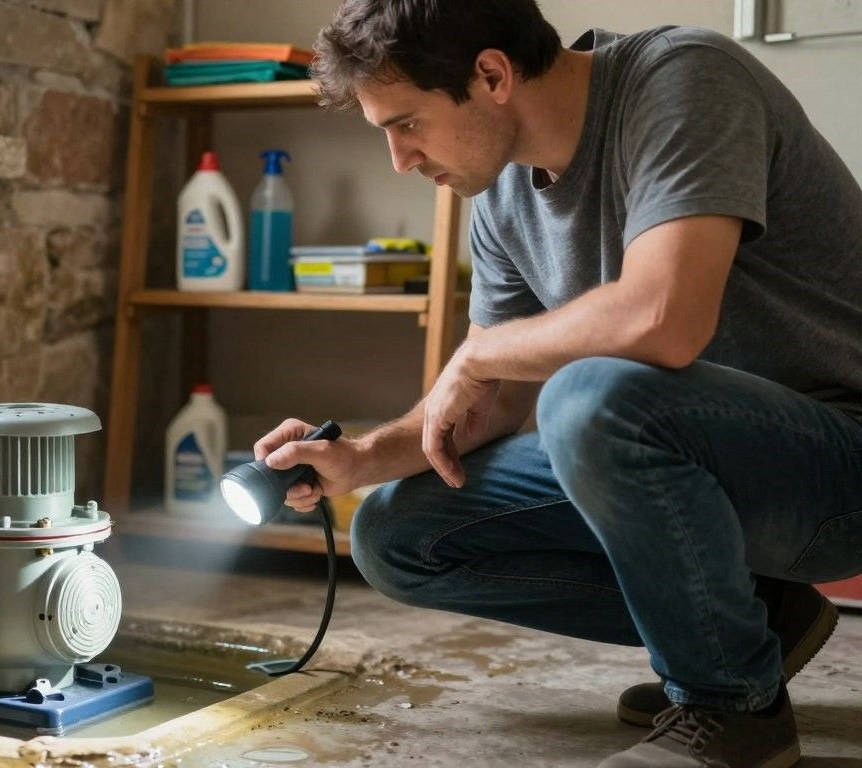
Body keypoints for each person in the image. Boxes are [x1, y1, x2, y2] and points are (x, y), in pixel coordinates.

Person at [252, 1, 862, 766]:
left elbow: (664, 318)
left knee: (589, 399)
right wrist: (361, 459)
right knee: (395, 534)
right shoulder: (501, 196)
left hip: (839, 470)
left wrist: (479, 355)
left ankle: (733, 709)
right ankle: (754, 625)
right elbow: (494, 404)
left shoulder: (686, 80)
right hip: (711, 470)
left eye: (406, 123)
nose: (399, 159)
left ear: (492, 74)